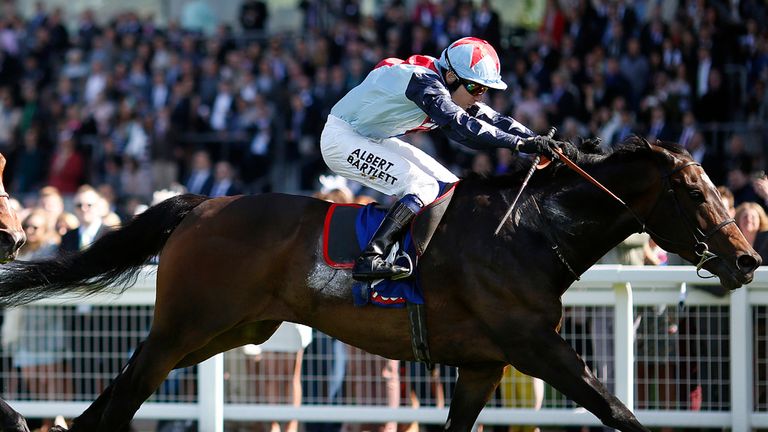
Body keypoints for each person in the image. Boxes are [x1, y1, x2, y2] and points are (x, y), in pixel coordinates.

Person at [320, 36, 564, 281]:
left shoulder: (449, 85)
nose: (480, 96)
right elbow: (463, 127)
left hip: (370, 137)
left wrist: (541, 141)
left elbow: (494, 119)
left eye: (485, 89)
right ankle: (372, 257)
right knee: (422, 186)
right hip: (341, 139)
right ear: (451, 77)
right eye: (476, 88)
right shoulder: (423, 82)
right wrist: (520, 143)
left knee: (451, 187)